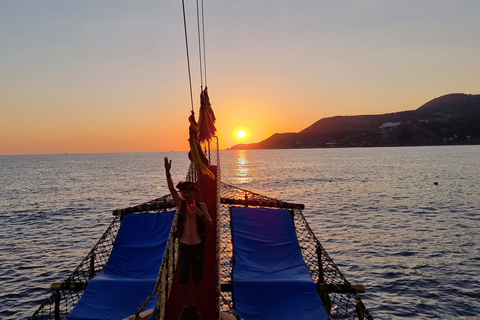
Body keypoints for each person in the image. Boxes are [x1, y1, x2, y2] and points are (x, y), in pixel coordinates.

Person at [164, 157, 212, 320]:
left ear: (194, 192)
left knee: (197, 278)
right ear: (183, 193)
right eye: (185, 192)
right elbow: (171, 189)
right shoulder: (181, 204)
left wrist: (201, 215)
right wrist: (168, 173)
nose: (187, 193)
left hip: (199, 247)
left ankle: (195, 305)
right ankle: (185, 305)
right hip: (184, 247)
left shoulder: (201, 206)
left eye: (190, 191)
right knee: (183, 280)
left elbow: (210, 224)